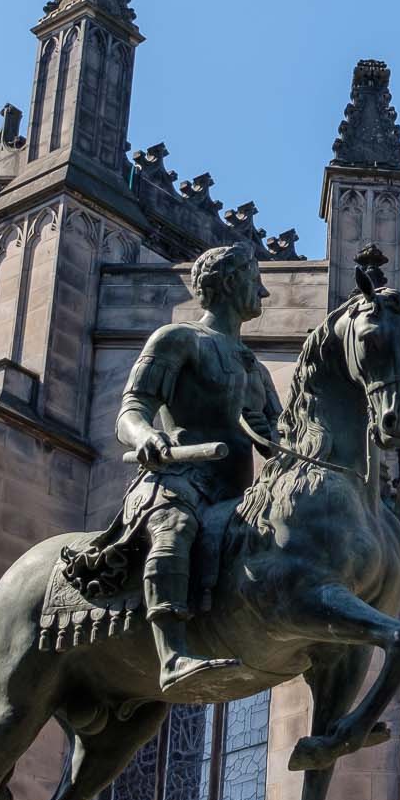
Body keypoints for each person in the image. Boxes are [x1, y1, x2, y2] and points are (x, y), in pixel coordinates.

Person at [112, 244, 282, 692]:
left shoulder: (256, 370)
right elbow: (131, 409)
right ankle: (171, 655)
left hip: (236, 495)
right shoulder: (178, 339)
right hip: (179, 481)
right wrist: (145, 436)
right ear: (228, 283)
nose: (263, 292)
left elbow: (281, 442)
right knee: (176, 529)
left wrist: (277, 440)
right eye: (254, 280)